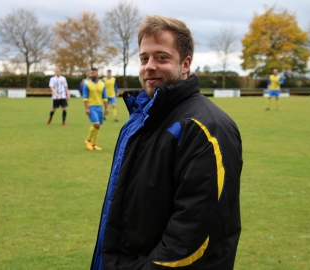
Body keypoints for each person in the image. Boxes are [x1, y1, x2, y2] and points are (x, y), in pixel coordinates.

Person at [90, 15, 243, 270]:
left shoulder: (206, 127)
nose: (149, 66)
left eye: (161, 57)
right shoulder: (142, 117)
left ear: (186, 64)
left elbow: (195, 234)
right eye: (144, 58)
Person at [83, 68, 109, 151]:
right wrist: (87, 108)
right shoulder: (87, 84)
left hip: (99, 107)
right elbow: (85, 98)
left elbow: (104, 97)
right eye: (90, 73)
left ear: (97, 73)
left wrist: (106, 108)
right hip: (91, 107)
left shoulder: (102, 84)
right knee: (96, 124)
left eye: (93, 73)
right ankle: (88, 140)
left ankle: (94, 145)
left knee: (98, 127)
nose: (91, 74)